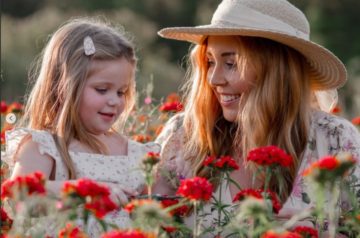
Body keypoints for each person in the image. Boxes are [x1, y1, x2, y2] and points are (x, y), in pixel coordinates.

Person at [153, 0, 360, 235]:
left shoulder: (334, 140)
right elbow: (145, 223)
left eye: (231, 63)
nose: (214, 79)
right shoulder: (183, 136)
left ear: (276, 70)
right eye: (210, 62)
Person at [3, 18, 159, 236]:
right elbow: (20, 194)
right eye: (102, 89)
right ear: (65, 87)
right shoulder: (45, 146)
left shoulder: (134, 152)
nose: (114, 100)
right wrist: (85, 191)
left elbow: (159, 206)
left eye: (121, 92)